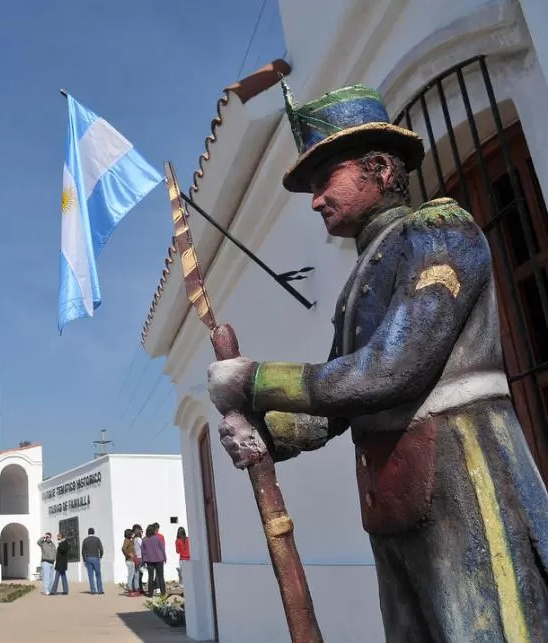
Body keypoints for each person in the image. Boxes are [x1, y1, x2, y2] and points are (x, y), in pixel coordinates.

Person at [207, 81, 548, 641]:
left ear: (382, 171)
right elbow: (333, 407)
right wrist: (267, 433)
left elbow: (392, 368)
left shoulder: (440, 231)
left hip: (464, 482)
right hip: (393, 499)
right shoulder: (359, 281)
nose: (315, 200)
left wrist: (256, 379)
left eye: (325, 181)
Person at [140, 524, 166, 597]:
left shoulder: (144, 539)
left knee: (150, 577)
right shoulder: (157, 538)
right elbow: (162, 548)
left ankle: (150, 594)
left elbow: (143, 551)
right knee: (161, 577)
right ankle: (163, 593)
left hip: (149, 560)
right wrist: (165, 557)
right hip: (159, 559)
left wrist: (143, 560)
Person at [81, 527, 104, 595]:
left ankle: (93, 590)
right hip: (96, 558)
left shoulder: (85, 540)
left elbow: (82, 552)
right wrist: (101, 556)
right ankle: (100, 590)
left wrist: (84, 560)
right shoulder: (97, 539)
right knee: (98, 574)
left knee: (90, 575)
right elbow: (101, 549)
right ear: (94, 532)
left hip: (88, 558)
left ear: (88, 533)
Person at [121, 528, 140, 596]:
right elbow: (123, 548)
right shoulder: (127, 540)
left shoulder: (129, 540)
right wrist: (128, 555)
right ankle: (130, 590)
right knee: (131, 575)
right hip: (130, 561)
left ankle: (135, 589)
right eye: (132, 533)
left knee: (134, 575)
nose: (133, 534)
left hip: (131, 560)